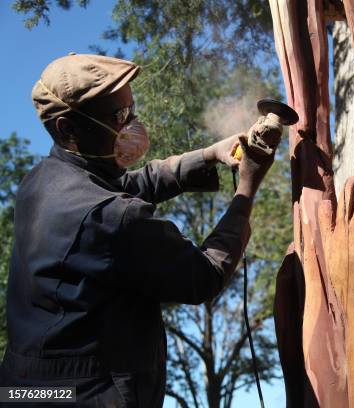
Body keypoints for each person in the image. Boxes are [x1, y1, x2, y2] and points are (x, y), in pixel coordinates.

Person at [0, 53, 279, 407]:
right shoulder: (108, 216)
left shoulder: (42, 182)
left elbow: (128, 186)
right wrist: (247, 188)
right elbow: (204, 276)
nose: (132, 123)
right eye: (119, 116)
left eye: (132, 109)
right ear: (67, 128)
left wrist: (209, 154)